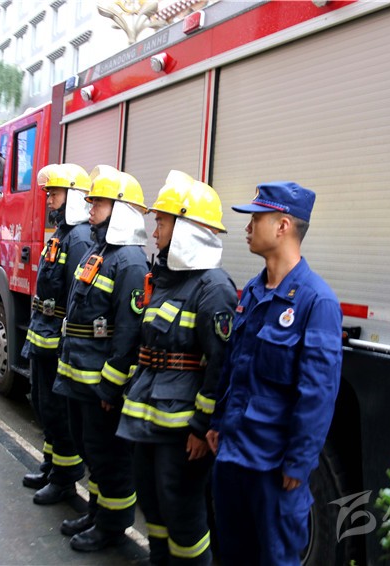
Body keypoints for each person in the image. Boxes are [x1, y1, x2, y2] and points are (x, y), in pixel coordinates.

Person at [206, 182, 342, 565]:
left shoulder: (317, 302)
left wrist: (298, 462)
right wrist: (217, 420)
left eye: (256, 218)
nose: (248, 227)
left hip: (272, 469)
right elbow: (234, 364)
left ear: (283, 226)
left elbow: (318, 393)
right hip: (233, 457)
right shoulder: (253, 291)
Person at [116, 171, 237, 565]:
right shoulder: (166, 280)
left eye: (162, 223)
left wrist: (202, 428)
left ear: (186, 229)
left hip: (182, 427)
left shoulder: (213, 288)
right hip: (149, 415)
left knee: (181, 509)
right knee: (152, 501)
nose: (154, 232)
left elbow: (220, 366)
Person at [53, 165, 149, 552]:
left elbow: (128, 332)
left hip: (100, 383)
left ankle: (112, 525)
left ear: (120, 209)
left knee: (110, 456)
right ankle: (96, 512)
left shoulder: (130, 262)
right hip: (78, 375)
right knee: (91, 449)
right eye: (90, 201)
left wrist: (111, 385)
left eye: (98, 203)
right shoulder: (99, 251)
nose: (90, 208)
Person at [20, 164, 92, 504]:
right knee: (44, 406)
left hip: (57, 343)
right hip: (42, 337)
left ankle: (64, 479)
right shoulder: (61, 234)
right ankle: (51, 466)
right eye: (49, 193)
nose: (49, 199)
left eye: (55, 193)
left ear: (73, 195)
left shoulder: (78, 238)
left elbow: (77, 298)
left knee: (59, 413)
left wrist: (66, 345)